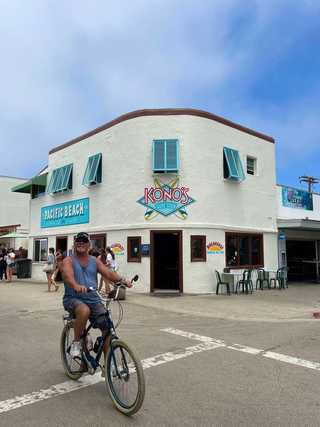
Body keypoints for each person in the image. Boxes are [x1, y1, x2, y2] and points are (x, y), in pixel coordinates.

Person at [61, 232, 132, 361]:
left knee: (107, 328)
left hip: (93, 299)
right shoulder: (68, 260)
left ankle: (107, 365)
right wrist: (75, 285)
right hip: (73, 298)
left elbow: (109, 273)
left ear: (89, 244)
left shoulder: (94, 261)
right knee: (84, 310)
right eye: (78, 240)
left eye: (84, 240)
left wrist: (123, 280)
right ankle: (76, 343)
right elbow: (67, 275)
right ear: (74, 243)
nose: (81, 243)